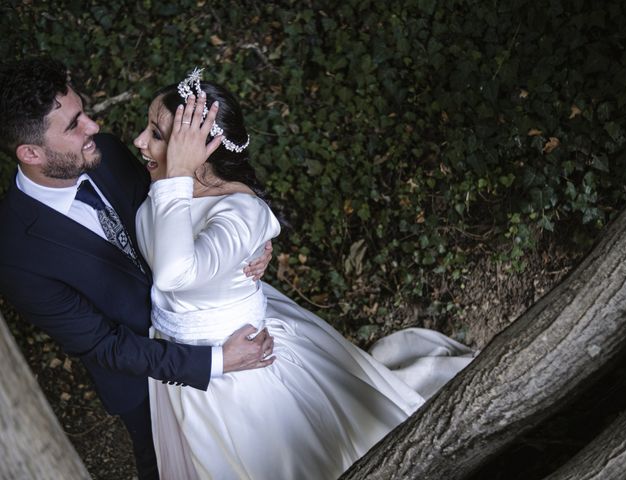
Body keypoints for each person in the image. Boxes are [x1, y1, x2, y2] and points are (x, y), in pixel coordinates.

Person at [134, 69, 475, 479]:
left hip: (243, 376)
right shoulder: (168, 187)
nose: (138, 141)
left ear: (196, 150)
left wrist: (175, 179)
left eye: (155, 133)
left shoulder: (236, 210)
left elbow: (174, 274)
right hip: (189, 367)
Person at [0, 58, 275, 480]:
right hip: (144, 378)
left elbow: (181, 207)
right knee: (168, 466)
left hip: (215, 323)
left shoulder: (105, 152)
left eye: (84, 112)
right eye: (75, 125)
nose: (93, 126)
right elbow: (104, 346)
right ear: (31, 153)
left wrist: (246, 237)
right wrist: (216, 361)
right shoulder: (15, 251)